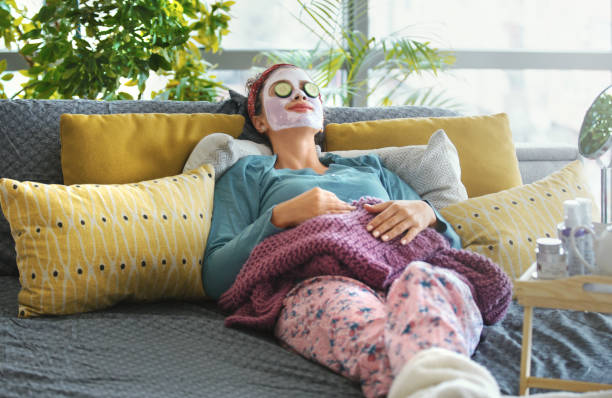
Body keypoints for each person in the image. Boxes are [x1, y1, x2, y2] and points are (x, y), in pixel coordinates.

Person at [203, 64, 484, 398]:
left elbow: (452, 250)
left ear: (321, 117)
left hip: (407, 271)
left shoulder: (371, 168)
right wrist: (280, 217)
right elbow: (216, 277)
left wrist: (429, 214)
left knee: (433, 285)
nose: (298, 94)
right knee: (377, 334)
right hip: (320, 284)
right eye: (281, 90)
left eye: (309, 90)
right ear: (261, 120)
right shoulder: (249, 173)